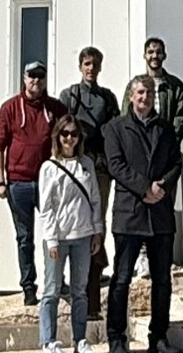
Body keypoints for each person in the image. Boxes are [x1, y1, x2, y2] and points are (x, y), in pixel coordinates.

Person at [107, 74, 183, 353]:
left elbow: (176, 162)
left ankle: (159, 337)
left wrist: (162, 185)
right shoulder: (115, 128)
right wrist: (144, 188)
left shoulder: (165, 128)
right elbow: (116, 165)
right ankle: (117, 338)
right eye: (140, 92)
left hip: (160, 215)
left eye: (149, 93)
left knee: (162, 281)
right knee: (121, 279)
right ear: (131, 96)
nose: (145, 97)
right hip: (130, 214)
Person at [0, 62, 71, 306]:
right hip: (18, 183)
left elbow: (68, 140)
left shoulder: (55, 108)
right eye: (31, 76)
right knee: (25, 237)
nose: (36, 80)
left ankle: (57, 281)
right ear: (24, 78)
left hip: (48, 183)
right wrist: (0, 181)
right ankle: (28, 286)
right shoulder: (10, 108)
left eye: (40, 76)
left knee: (55, 234)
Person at [36, 117, 104, 353]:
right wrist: (51, 239)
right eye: (65, 134)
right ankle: (48, 341)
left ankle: (80, 339)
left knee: (80, 291)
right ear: (58, 136)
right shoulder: (49, 167)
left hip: (83, 235)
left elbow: (95, 199)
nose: (69, 138)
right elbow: (46, 206)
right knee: (52, 290)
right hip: (58, 237)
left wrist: (97, 230)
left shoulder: (86, 164)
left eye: (74, 134)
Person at [61, 47, 122, 309]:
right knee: (74, 216)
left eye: (95, 64)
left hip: (100, 167)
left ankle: (95, 269)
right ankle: (74, 272)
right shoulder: (69, 95)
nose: (91, 68)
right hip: (75, 166)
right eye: (87, 64)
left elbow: (114, 132)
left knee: (98, 218)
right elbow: (61, 131)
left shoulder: (107, 98)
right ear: (80, 66)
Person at [143, 37, 183, 145]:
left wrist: (169, 144)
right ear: (145, 56)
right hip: (141, 147)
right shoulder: (136, 85)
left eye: (158, 52)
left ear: (164, 56)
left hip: (168, 147)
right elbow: (127, 117)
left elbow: (181, 118)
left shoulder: (176, 86)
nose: (155, 56)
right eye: (150, 52)